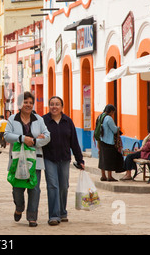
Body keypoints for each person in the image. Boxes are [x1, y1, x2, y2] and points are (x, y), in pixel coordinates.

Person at [4, 91, 50, 227]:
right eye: (25, 102)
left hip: (35, 160)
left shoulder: (38, 119)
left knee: (34, 188)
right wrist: (23, 139)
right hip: (18, 161)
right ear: (20, 104)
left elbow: (47, 136)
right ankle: (19, 207)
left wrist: (35, 142)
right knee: (17, 189)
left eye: (30, 102)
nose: (28, 105)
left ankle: (32, 217)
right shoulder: (13, 119)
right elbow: (7, 135)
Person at [42, 96, 85, 225]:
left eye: (57, 104)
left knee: (64, 187)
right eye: (51, 104)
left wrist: (80, 159)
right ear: (49, 106)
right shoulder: (43, 121)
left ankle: (62, 212)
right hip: (49, 158)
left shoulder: (68, 121)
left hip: (64, 158)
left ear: (62, 107)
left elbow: (74, 142)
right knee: (53, 186)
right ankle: (54, 216)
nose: (54, 106)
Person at [97, 104, 124, 181]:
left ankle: (103, 175)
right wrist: (118, 128)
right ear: (111, 111)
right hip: (109, 141)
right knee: (109, 159)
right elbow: (114, 130)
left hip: (101, 140)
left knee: (102, 158)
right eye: (113, 112)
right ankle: (109, 176)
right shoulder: (109, 118)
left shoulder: (100, 116)